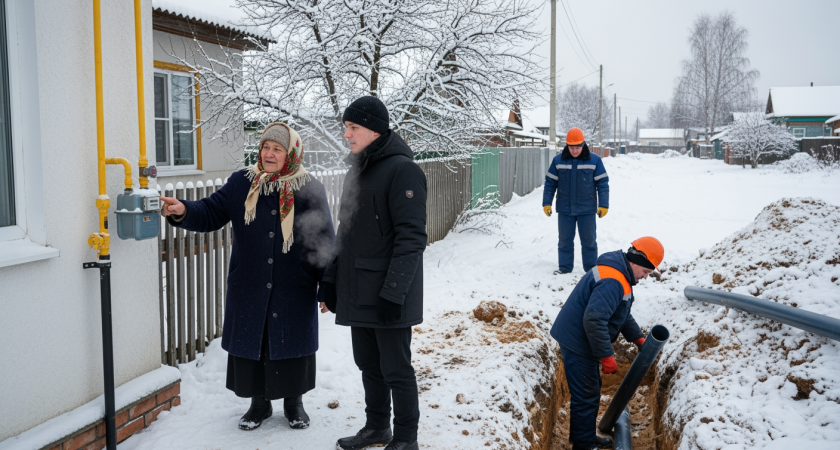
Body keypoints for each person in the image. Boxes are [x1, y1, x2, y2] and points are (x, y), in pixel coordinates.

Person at [160, 122, 335, 431]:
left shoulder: (308, 188)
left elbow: (323, 241)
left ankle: (294, 403)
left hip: (295, 284)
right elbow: (211, 211)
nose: (269, 153)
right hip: (250, 282)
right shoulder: (242, 183)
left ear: (290, 153)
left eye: (277, 149)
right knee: (257, 342)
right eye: (265, 147)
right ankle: (259, 404)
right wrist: (183, 210)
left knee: (290, 343)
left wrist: (326, 287)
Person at [320, 96, 427, 450]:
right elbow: (345, 231)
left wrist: (394, 293)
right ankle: (377, 427)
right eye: (346, 127)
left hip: (387, 292)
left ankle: (406, 437)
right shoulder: (358, 169)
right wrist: (331, 281)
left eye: (353, 128)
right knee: (368, 363)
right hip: (359, 288)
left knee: (396, 368)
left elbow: (411, 239)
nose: (346, 134)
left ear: (374, 130)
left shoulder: (403, 170)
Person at [549, 237, 664, 450]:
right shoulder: (614, 280)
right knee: (586, 394)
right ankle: (584, 445)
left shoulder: (619, 273)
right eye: (646, 272)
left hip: (582, 339)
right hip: (578, 341)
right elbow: (594, 319)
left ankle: (584, 437)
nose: (645, 277)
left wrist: (637, 336)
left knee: (590, 391)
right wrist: (606, 356)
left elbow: (618, 313)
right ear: (637, 261)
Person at [542, 127, 609, 274]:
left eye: (577, 147)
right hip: (565, 209)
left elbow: (602, 183)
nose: (574, 150)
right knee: (564, 241)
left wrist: (604, 205)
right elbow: (550, 183)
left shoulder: (595, 160)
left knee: (589, 242)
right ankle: (565, 268)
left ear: (583, 144)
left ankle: (591, 270)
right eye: (571, 147)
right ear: (567, 145)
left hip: (587, 209)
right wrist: (547, 202)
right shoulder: (558, 160)